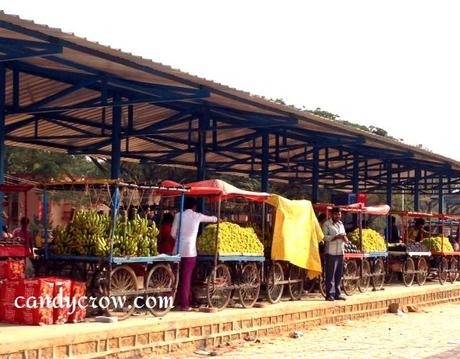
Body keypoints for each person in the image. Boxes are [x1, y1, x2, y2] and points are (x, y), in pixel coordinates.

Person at [171, 197, 217, 311]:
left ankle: (171, 301)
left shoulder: (178, 215)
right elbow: (213, 219)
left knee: (174, 277)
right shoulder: (197, 216)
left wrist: (179, 240)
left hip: (177, 251)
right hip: (190, 252)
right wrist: (218, 217)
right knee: (186, 279)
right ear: (194, 207)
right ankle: (184, 305)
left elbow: (172, 233)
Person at [322, 207, 348, 301]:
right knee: (330, 274)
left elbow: (344, 235)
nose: (338, 216)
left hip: (340, 252)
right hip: (331, 252)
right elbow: (324, 237)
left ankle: (338, 293)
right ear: (332, 214)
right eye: (336, 214)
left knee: (338, 274)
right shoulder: (327, 224)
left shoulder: (341, 224)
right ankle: (330, 295)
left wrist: (346, 240)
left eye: (339, 214)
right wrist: (335, 237)